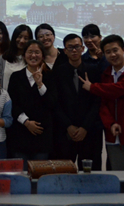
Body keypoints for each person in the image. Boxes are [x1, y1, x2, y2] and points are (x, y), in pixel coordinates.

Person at [79, 34, 124, 171]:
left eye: (115, 50)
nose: (112, 55)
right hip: (113, 138)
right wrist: (111, 123)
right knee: (118, 179)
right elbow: (103, 105)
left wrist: (93, 87)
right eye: (108, 52)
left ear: (123, 50)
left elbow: (119, 89)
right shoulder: (105, 75)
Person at [53, 34, 103, 171]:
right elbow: (55, 103)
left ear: (82, 48)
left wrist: (85, 127)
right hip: (65, 132)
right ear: (65, 51)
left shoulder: (93, 70)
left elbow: (97, 101)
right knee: (63, 174)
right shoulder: (57, 72)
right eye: (70, 47)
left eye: (77, 47)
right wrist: (68, 126)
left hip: (90, 131)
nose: (74, 50)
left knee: (90, 174)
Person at [7, 40, 57, 166]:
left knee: (40, 174)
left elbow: (52, 103)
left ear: (43, 56)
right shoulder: (16, 77)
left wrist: (40, 84)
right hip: (20, 134)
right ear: (24, 55)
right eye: (30, 52)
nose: (33, 55)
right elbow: (12, 104)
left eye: (37, 52)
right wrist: (26, 122)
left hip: (42, 135)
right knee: (21, 174)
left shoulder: (51, 76)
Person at [0, 24, 32, 90]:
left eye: (26, 38)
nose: (22, 41)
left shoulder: (32, 59)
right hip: (5, 96)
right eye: (19, 37)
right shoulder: (3, 58)